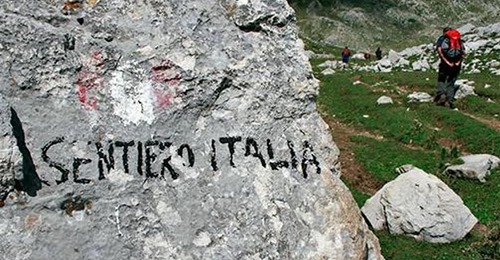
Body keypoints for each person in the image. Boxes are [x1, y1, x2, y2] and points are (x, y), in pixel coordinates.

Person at [434, 27, 465, 109]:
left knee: (442, 79)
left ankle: (442, 95)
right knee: (451, 82)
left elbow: (440, 50)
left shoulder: (442, 39)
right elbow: (463, 52)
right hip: (456, 65)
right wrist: (458, 62)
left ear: (444, 32)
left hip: (445, 64)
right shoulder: (458, 39)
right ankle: (449, 101)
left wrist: (447, 62)